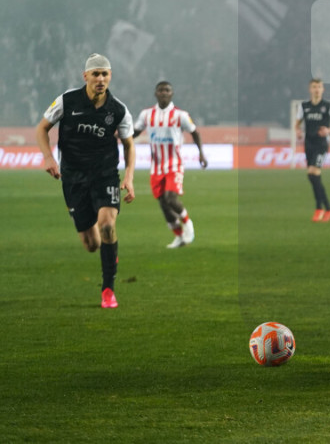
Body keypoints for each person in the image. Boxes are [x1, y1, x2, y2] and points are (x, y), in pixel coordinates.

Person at [35, 53, 136, 309]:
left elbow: (128, 145)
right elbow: (41, 128)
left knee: (107, 225)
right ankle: (107, 251)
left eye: (105, 74)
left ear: (110, 76)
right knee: (92, 244)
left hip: (105, 174)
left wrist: (129, 176)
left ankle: (108, 289)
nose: (100, 79)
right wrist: (48, 158)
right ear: (86, 76)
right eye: (96, 74)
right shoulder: (67, 100)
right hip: (73, 177)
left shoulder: (119, 110)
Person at [133, 81, 208, 249]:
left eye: (167, 90)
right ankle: (179, 236)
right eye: (160, 90)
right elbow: (135, 132)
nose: (164, 93)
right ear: (156, 93)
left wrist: (201, 153)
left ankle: (188, 224)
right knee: (163, 204)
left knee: (170, 198)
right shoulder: (146, 114)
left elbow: (195, 132)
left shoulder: (180, 115)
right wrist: (119, 137)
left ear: (172, 93)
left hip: (174, 164)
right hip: (156, 167)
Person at [296, 79, 330, 222]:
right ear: (310, 89)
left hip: (321, 143)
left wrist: (329, 130)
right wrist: (298, 131)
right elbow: (297, 123)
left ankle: (319, 208)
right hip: (308, 143)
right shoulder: (304, 106)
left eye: (319, 87)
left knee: (313, 172)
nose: (317, 89)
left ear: (323, 89)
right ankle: (328, 209)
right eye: (314, 87)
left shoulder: (328, 105)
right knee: (313, 175)